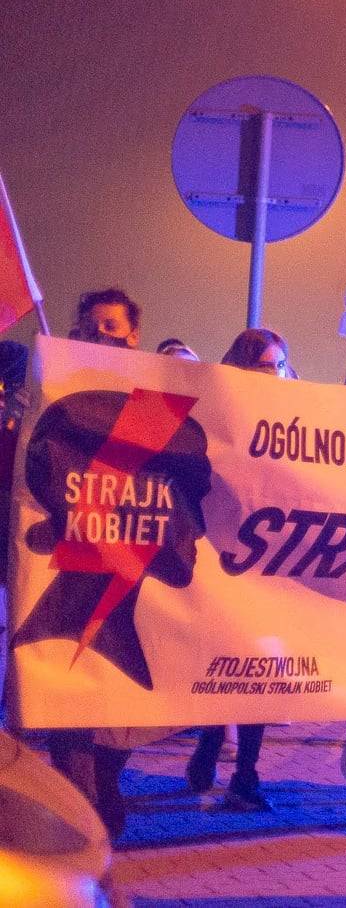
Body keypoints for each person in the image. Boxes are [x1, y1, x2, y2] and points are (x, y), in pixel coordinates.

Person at [41, 290, 148, 837]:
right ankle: (84, 812)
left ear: (133, 335)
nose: (98, 335)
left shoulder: (154, 401)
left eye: (110, 326)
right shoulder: (52, 398)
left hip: (128, 572)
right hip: (64, 570)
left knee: (117, 706)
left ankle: (104, 783)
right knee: (66, 698)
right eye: (87, 328)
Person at [185, 327, 295, 810]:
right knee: (226, 662)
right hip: (223, 554)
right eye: (261, 366)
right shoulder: (216, 415)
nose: (271, 375)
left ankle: (246, 773)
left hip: (272, 562)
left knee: (262, 671)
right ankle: (211, 739)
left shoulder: (299, 418)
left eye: (278, 365)